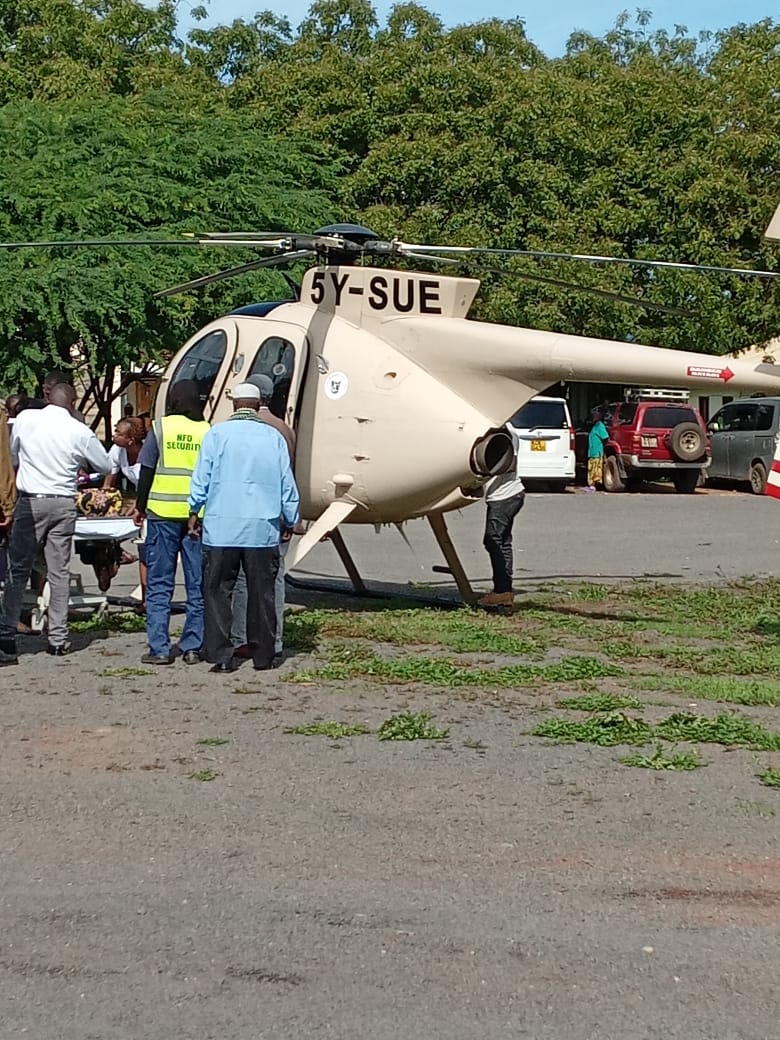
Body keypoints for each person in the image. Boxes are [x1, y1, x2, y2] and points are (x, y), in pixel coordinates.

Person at [188, 383, 299, 674]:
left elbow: (202, 478)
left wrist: (194, 510)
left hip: (222, 528)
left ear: (234, 404)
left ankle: (222, 656)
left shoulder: (216, 435)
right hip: (261, 529)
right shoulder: (272, 438)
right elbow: (286, 483)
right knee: (262, 593)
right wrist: (290, 517)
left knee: (218, 592)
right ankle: (263, 657)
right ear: (258, 402)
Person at [0, 384, 112, 664]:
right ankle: (58, 639)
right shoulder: (79, 431)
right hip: (63, 501)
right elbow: (106, 466)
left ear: (48, 398)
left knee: (18, 568)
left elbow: (13, 454)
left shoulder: (26, 419)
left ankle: (6, 634)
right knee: (59, 571)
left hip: (31, 501)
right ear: (73, 402)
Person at [133, 381, 209, 665]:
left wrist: (140, 506)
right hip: (195, 518)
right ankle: (192, 647)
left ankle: (160, 649)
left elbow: (147, 470)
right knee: (196, 583)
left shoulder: (160, 428)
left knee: (159, 582)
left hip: (162, 513)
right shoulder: (206, 429)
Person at [230, 372, 296, 660]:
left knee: (244, 580)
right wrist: (291, 516)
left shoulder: (238, 428)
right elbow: (287, 477)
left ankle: (243, 637)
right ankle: (275, 637)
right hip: (276, 512)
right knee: (275, 579)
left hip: (245, 514)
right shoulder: (285, 429)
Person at [477, 432, 526, 608]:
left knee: (492, 540)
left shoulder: (504, 434)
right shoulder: (509, 432)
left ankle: (502, 590)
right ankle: (504, 589)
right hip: (512, 494)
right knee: (503, 541)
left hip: (503, 497)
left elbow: (510, 464)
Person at [586, 409, 610, 492]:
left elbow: (605, 437)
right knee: (591, 468)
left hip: (597, 452)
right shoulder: (595, 426)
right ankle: (591, 484)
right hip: (592, 452)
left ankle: (593, 486)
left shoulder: (600, 426)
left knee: (595, 469)